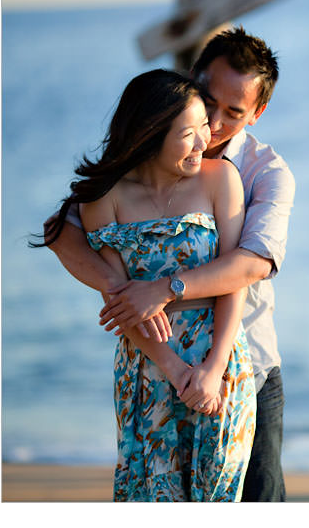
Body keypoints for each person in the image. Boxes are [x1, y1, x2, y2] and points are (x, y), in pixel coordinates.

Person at [45, 27, 295, 502]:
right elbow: (64, 230)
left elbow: (250, 265)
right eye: (208, 102)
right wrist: (122, 293)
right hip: (153, 366)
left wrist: (162, 289)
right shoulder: (142, 163)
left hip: (248, 366)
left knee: (258, 514)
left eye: (233, 113)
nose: (215, 124)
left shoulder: (265, 173)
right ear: (190, 81)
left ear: (257, 113)